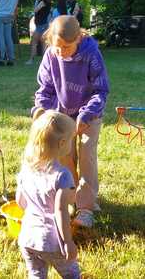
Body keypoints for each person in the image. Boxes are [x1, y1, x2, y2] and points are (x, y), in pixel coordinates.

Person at [32, 15, 109, 228]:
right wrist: (43, 110)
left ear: (78, 39)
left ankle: (86, 208)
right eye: (57, 46)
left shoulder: (91, 54)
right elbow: (45, 88)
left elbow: (101, 90)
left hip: (89, 115)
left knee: (86, 155)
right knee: (65, 156)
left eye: (66, 47)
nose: (61, 51)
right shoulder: (51, 55)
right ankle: (72, 198)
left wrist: (86, 113)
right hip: (62, 115)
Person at [16, 110, 81, 279]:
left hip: (27, 237)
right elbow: (60, 211)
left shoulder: (26, 169)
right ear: (62, 143)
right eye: (71, 140)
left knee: (36, 274)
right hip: (51, 241)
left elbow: (20, 201)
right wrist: (67, 242)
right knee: (72, 274)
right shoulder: (62, 175)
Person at [26, 0, 52, 65]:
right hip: (45, 24)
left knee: (34, 42)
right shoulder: (49, 2)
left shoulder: (42, 2)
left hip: (40, 25)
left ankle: (31, 60)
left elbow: (35, 10)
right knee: (44, 43)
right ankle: (45, 61)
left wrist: (36, 2)